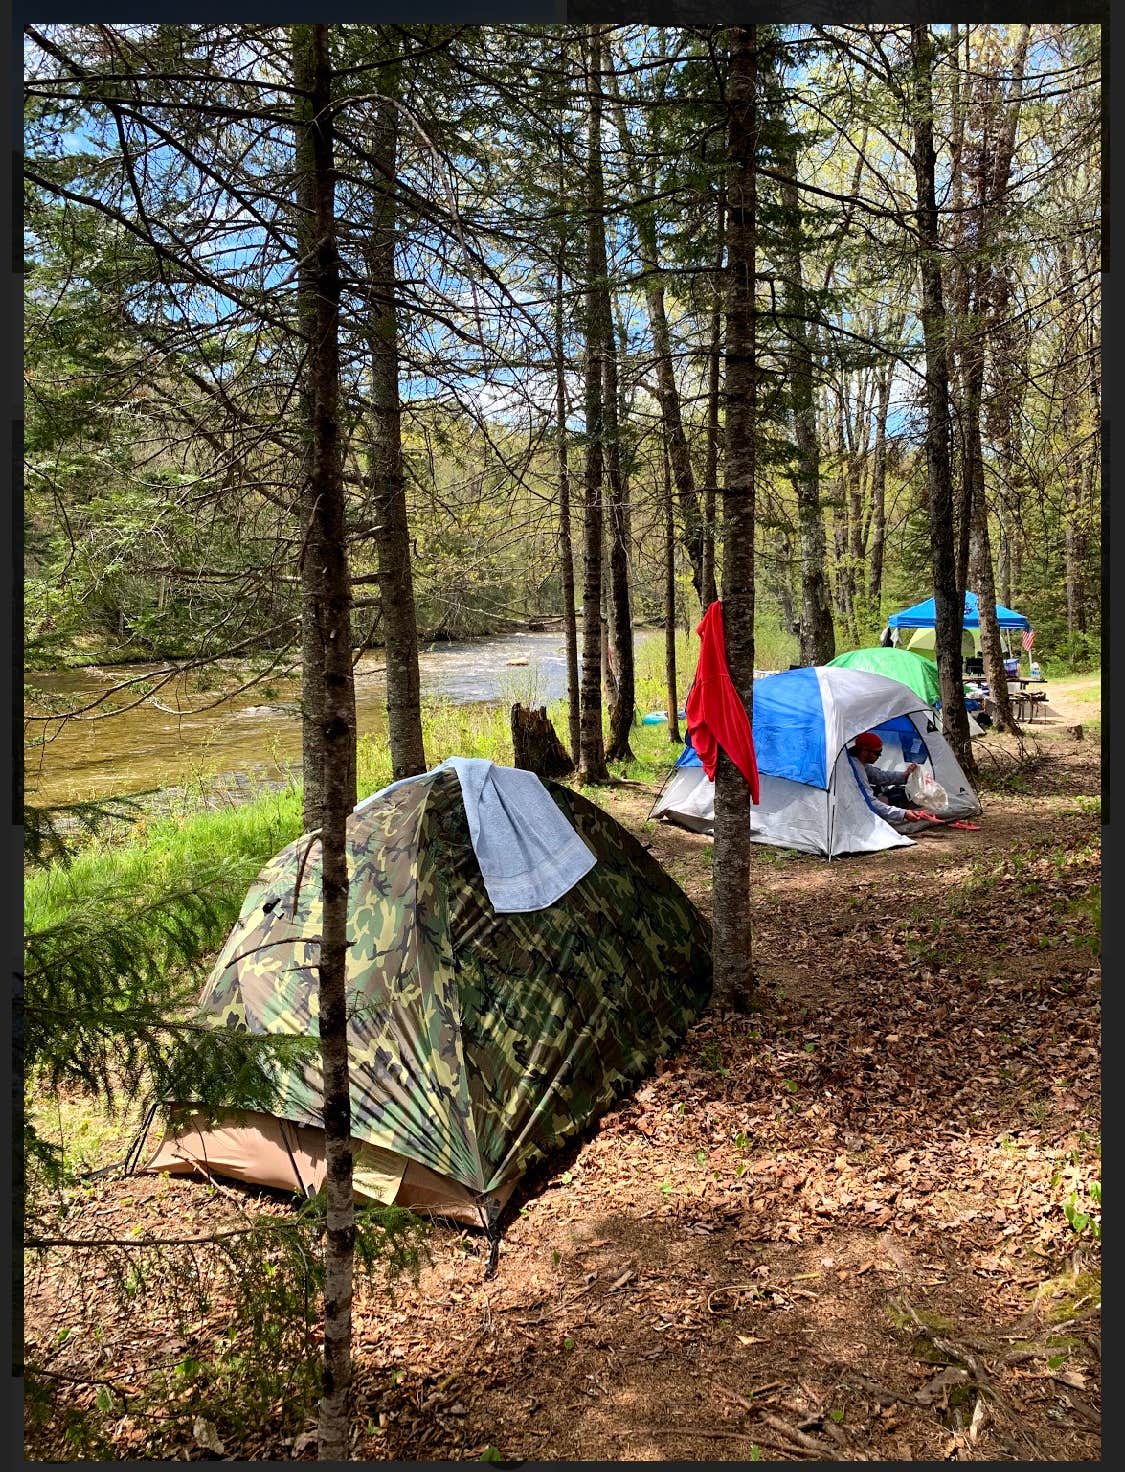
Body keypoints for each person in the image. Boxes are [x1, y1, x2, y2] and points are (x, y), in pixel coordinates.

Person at [848, 731, 928, 825]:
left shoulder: (860, 764)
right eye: (877, 753)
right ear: (865, 750)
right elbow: (869, 801)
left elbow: (880, 776)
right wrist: (903, 814)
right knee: (884, 800)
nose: (879, 756)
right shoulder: (853, 768)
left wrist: (906, 775)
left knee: (885, 798)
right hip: (851, 810)